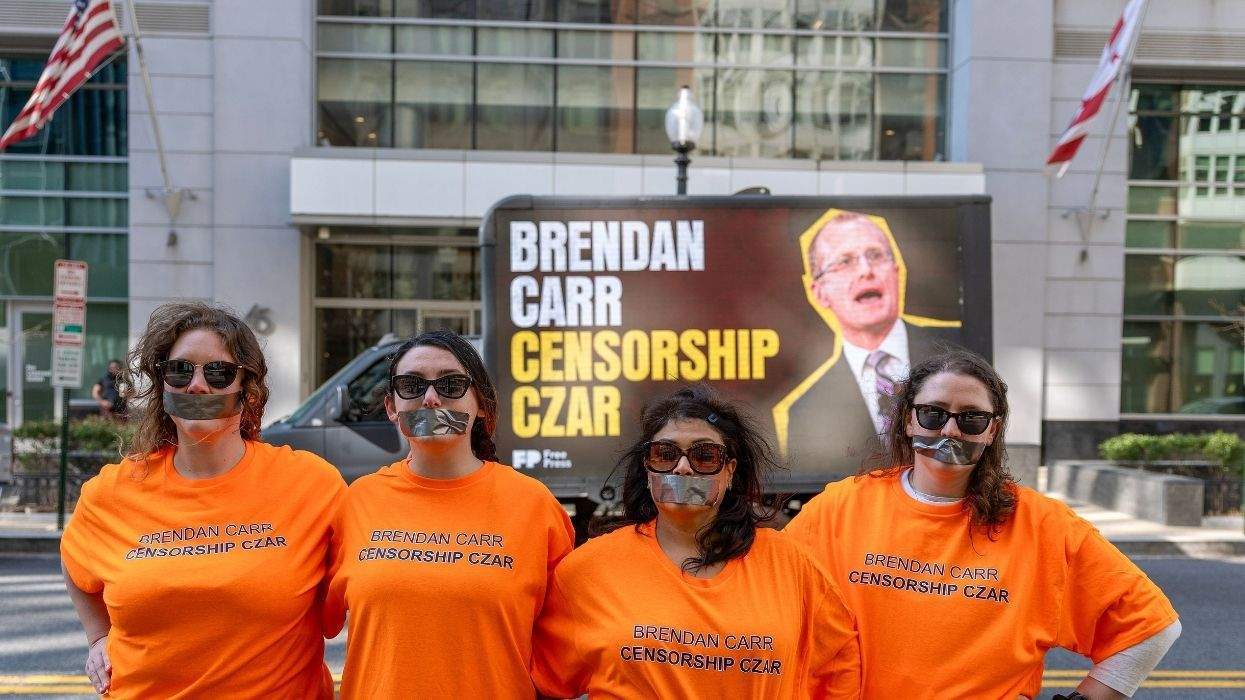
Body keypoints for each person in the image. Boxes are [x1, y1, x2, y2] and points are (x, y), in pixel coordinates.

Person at [785, 350, 1181, 699]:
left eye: (971, 418)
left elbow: (1151, 628)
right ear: (908, 421)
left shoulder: (1044, 526)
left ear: (992, 430)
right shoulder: (840, 507)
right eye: (933, 413)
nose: (950, 430)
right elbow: (767, 606)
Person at [60, 302, 346, 697]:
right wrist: (97, 637)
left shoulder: (312, 484)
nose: (197, 386)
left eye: (219, 373)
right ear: (162, 386)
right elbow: (74, 561)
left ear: (246, 390)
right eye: (180, 371)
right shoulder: (110, 493)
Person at [531, 386, 862, 699]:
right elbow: (540, 681)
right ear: (647, 469)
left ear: (730, 471)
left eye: (705, 456)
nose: (684, 468)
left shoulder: (792, 565)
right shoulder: (588, 569)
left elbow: (839, 668)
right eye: (665, 454)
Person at [325, 330, 575, 698]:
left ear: (483, 405)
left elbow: (565, 647)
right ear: (391, 406)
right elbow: (308, 622)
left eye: (452, 384)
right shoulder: (357, 500)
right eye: (411, 385)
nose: (430, 398)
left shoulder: (534, 505)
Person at [775, 210, 959, 472]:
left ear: (897, 272)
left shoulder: (959, 350)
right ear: (819, 293)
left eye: (875, 255)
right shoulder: (803, 411)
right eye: (844, 262)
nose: (866, 270)